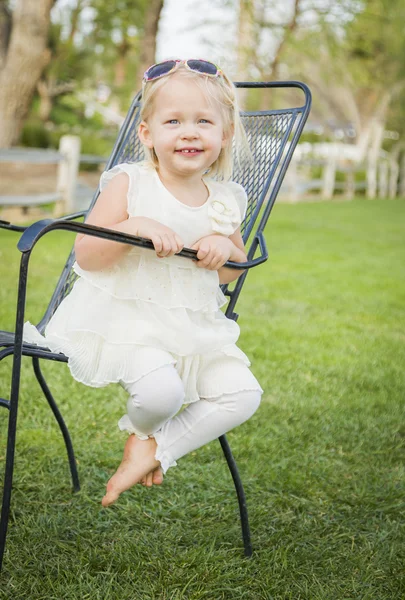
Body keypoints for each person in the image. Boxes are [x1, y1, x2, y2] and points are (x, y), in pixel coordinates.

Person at [24, 59, 263, 507]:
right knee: (161, 393)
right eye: (173, 121)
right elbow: (87, 257)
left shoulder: (226, 200)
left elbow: (236, 268)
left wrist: (222, 248)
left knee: (243, 394)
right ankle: (145, 431)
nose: (189, 132)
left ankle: (152, 447)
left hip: (193, 330)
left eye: (204, 122)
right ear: (148, 134)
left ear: (224, 135)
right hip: (124, 323)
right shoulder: (131, 184)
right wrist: (133, 227)